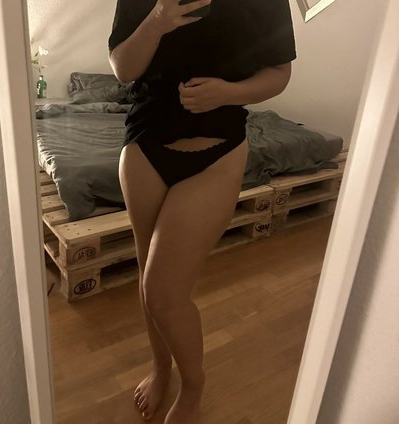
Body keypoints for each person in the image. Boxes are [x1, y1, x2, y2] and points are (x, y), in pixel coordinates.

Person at [108, 1, 296, 422]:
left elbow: (279, 72)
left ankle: (193, 386)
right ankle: (161, 367)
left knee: (164, 291)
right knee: (148, 274)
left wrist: (228, 93)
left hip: (218, 152)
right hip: (144, 146)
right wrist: (157, 20)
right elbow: (123, 67)